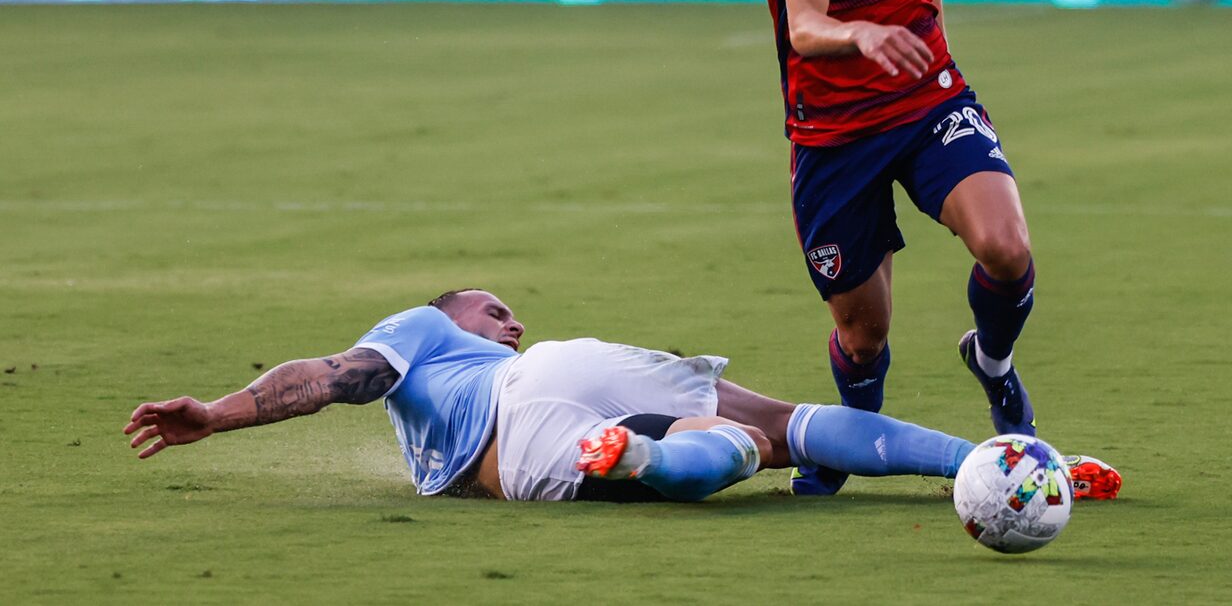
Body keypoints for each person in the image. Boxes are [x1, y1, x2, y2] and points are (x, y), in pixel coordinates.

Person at [758, 0, 1045, 496]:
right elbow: (805, 28)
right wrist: (864, 33)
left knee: (1005, 246)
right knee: (862, 334)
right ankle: (852, 446)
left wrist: (924, 49)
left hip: (927, 102)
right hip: (832, 134)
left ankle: (992, 362)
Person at [124, 288, 1120, 504]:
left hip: (524, 438)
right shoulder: (424, 330)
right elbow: (336, 374)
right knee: (772, 433)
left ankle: (637, 458)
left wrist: (216, 419)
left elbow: (335, 385)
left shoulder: (454, 365)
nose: (504, 315)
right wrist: (221, 407)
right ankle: (1005, 461)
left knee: (732, 449)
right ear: (448, 311)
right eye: (492, 306)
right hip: (559, 376)